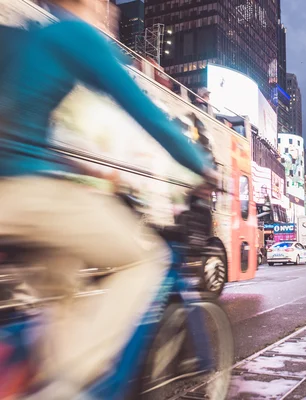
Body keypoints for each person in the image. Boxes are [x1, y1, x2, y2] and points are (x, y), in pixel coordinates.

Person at [0, 0, 213, 396]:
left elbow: (20, 126)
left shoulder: (24, 37)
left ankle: (45, 373)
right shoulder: (73, 34)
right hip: (26, 194)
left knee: (60, 291)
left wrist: (78, 166)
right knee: (146, 258)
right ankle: (65, 388)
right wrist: (199, 164)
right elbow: (145, 112)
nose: (112, 12)